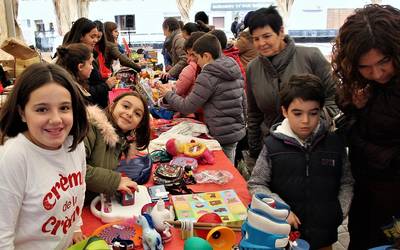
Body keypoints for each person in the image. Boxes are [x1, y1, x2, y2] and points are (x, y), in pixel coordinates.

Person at [248, 74, 354, 249]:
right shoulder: (272, 145)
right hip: (285, 234)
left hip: (324, 235)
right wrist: (280, 210)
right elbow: (257, 184)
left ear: (321, 110)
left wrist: (339, 211)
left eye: (313, 113)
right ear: (284, 111)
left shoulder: (334, 144)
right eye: (297, 113)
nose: (305, 121)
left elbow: (346, 181)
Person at [331, 4, 400, 249]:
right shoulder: (358, 84)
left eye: (384, 63)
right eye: (365, 67)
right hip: (364, 190)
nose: (377, 73)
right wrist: (352, 106)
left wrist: (353, 133)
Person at [0, 63, 89, 249]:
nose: (56, 119)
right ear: (22, 113)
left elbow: (78, 192)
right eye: (42, 109)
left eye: (64, 108)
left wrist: (76, 226)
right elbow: (2, 236)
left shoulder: (75, 144)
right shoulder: (12, 158)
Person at [246, 6, 338, 166]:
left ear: (281, 32)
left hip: (313, 148)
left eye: (267, 36)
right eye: (256, 39)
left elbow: (334, 98)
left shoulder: (311, 57)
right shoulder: (253, 68)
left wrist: (315, 121)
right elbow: (254, 114)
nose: (261, 43)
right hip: (271, 149)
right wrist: (254, 152)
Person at [156, 34, 246, 163]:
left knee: (222, 164)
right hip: (235, 129)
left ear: (206, 56)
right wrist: (243, 123)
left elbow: (187, 106)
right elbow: (244, 99)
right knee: (230, 162)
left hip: (220, 131)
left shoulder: (208, 75)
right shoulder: (233, 68)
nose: (195, 61)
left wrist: (168, 94)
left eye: (196, 57)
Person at [84, 91, 151, 203]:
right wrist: (115, 181)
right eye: (125, 106)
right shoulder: (90, 127)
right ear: (112, 106)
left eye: (137, 114)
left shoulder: (121, 139)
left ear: (139, 124)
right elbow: (74, 170)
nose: (129, 113)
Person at [64, 17, 118, 108]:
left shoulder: (90, 54)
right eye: (92, 37)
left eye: (97, 37)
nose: (96, 40)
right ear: (81, 36)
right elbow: (84, 91)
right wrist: (106, 85)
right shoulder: (72, 58)